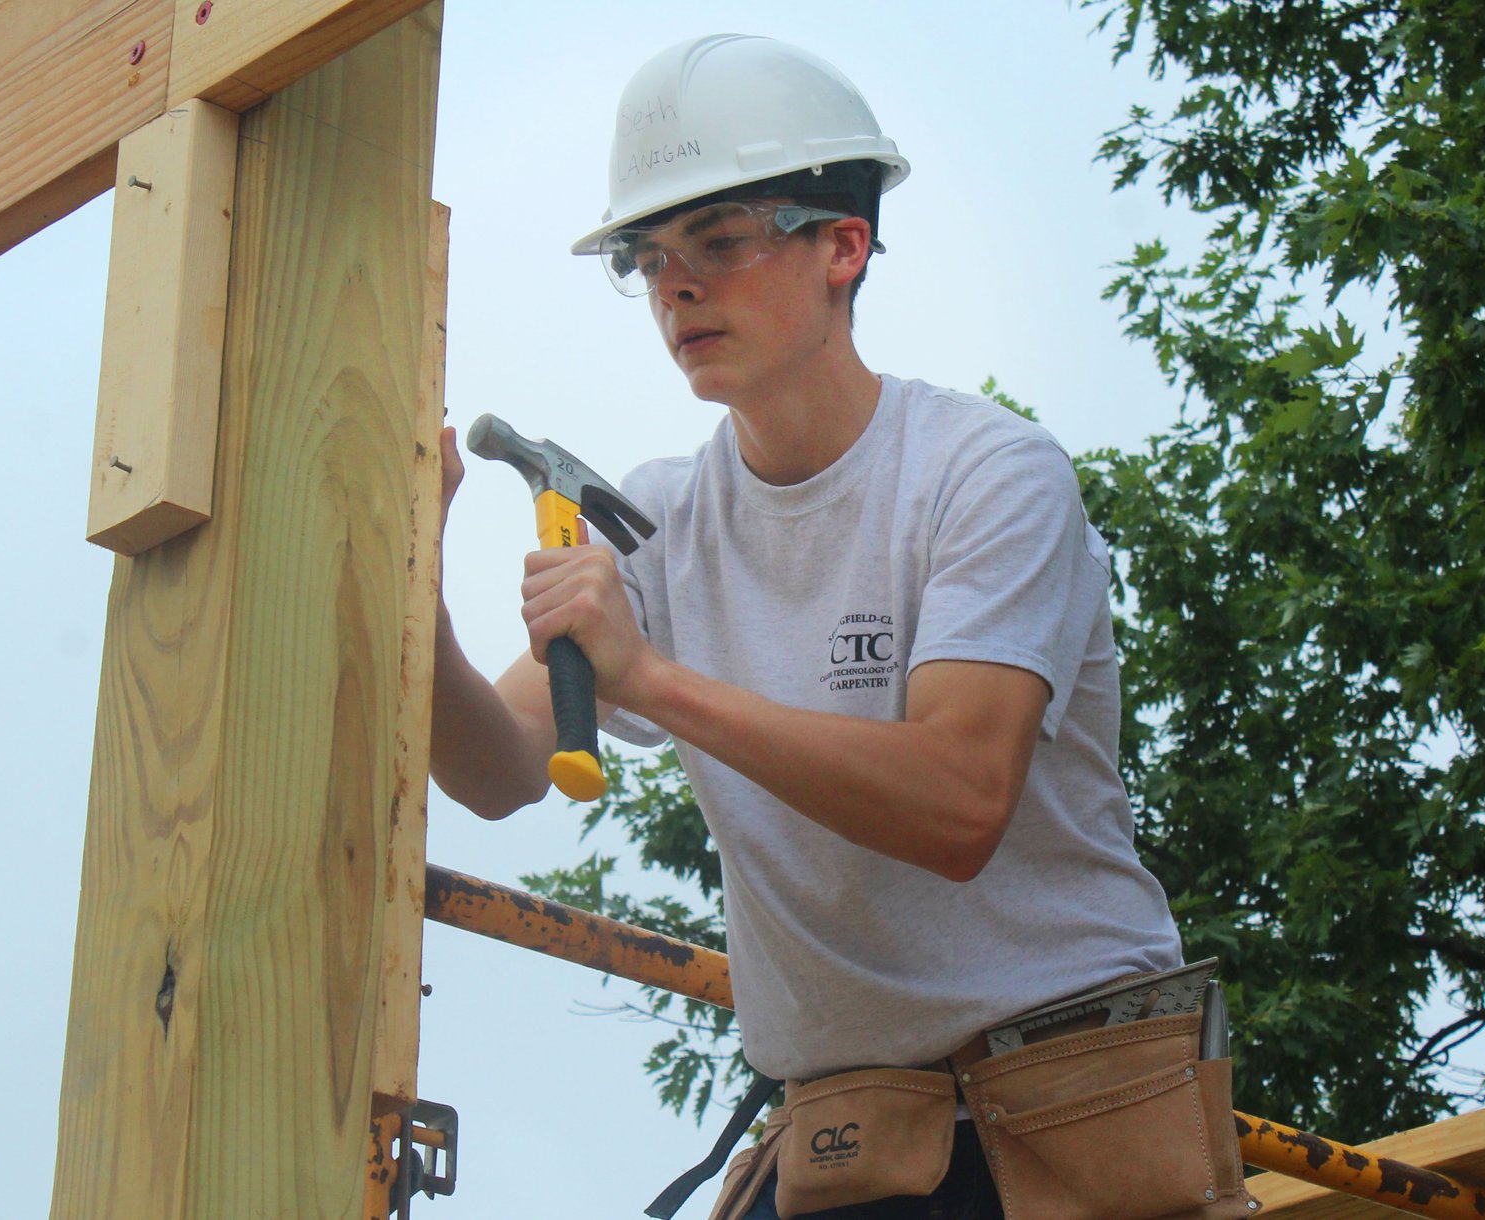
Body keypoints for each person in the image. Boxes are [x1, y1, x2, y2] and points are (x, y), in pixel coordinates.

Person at [430, 34, 1228, 1220]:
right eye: (649, 257)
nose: (675, 285)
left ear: (841, 247)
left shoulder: (982, 474)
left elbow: (957, 803)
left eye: (720, 240)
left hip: (1071, 1100)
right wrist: (408, 581)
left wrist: (648, 673)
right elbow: (496, 770)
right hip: (855, 1122)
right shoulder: (660, 521)